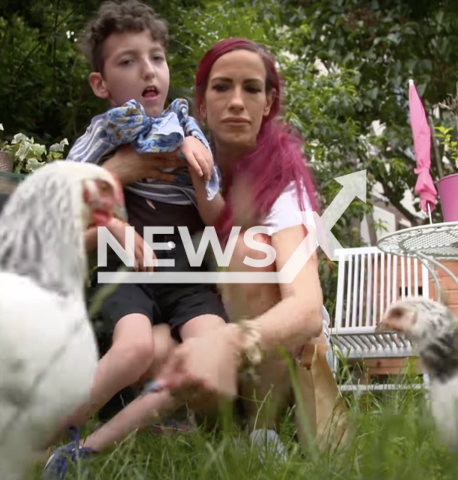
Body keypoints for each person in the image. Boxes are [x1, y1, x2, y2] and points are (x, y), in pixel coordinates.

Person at [42, 2, 229, 477]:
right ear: (100, 84)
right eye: (128, 60)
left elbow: (214, 214)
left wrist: (195, 159)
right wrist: (116, 225)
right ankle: (43, 436)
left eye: (157, 57)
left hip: (186, 266)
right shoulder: (104, 130)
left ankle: (90, 450)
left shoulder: (189, 129)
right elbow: (69, 195)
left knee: (211, 354)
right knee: (134, 350)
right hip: (125, 263)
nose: (148, 69)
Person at [152, 37, 339, 456]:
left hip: (284, 348)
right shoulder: (177, 161)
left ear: (268, 103)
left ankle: (262, 430)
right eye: (222, 87)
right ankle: (206, 424)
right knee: (157, 340)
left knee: (246, 249)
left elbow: (306, 309)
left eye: (251, 89)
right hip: (204, 326)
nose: (236, 101)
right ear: (201, 105)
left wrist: (224, 344)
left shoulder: (281, 180)